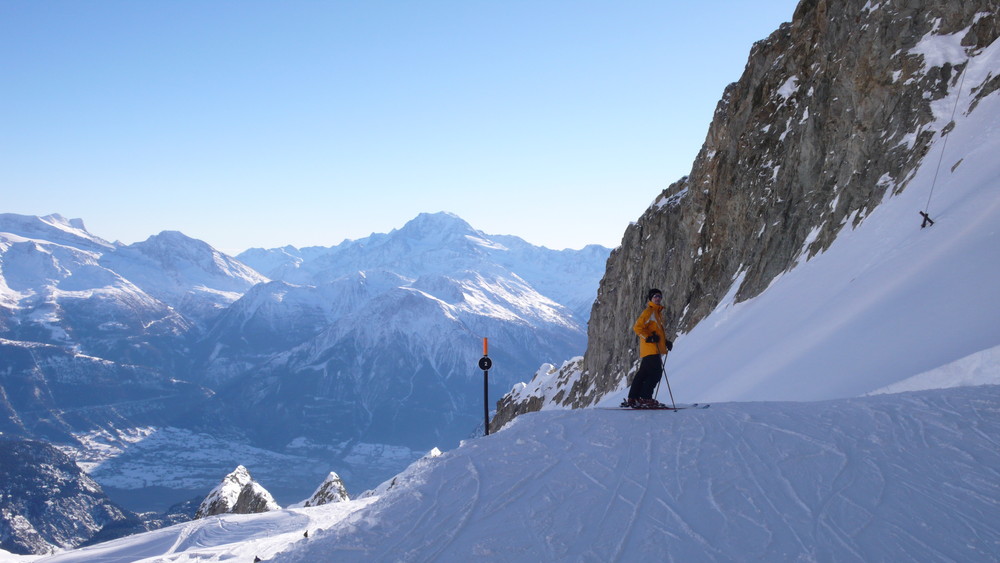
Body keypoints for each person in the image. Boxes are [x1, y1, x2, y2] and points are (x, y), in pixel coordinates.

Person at [625, 288, 674, 408]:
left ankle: (634, 397)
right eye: (655, 296)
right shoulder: (649, 312)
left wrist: (665, 342)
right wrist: (649, 338)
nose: (658, 298)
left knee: (643, 374)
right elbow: (637, 328)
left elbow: (656, 332)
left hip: (651, 349)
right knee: (656, 373)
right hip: (651, 349)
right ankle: (645, 398)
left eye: (659, 296)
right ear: (651, 298)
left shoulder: (657, 313)